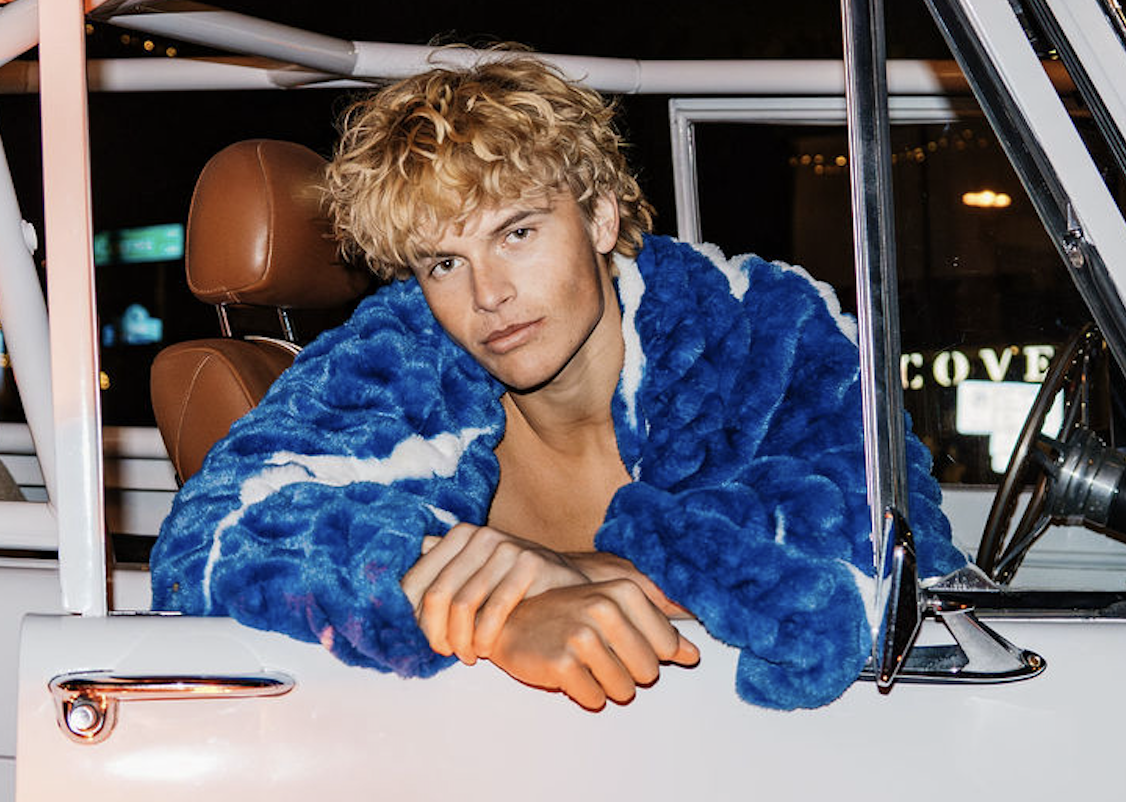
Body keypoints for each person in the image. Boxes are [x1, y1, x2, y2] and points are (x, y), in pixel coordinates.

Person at [151, 52, 964, 710]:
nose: (487, 295)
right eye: (444, 262)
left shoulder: (760, 323)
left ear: (602, 217)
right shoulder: (403, 351)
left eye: (518, 232)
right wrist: (496, 615)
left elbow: (893, 544)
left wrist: (574, 573)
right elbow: (213, 533)